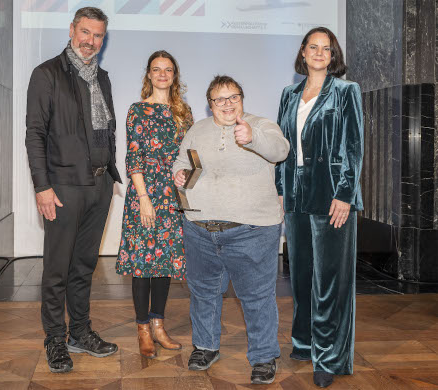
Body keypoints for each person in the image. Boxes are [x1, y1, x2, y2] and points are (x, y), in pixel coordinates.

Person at [173, 75, 289, 385]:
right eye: (219, 99)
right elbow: (181, 162)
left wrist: (252, 137)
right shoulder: (197, 130)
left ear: (241, 98)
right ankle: (206, 347)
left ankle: (264, 356)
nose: (227, 104)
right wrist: (180, 174)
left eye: (233, 97)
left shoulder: (261, 125)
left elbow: (280, 151)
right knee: (203, 293)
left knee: (257, 296)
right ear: (209, 104)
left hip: (251, 230)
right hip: (199, 228)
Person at [25, 7, 121, 373]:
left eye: (98, 36)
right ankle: (54, 338)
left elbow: (105, 129)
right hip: (63, 186)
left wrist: (110, 174)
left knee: (85, 266)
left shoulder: (103, 78)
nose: (90, 41)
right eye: (85, 32)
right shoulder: (47, 74)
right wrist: (42, 187)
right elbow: (35, 135)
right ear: (71, 30)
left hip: (100, 184)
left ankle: (80, 332)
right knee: (57, 268)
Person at [275, 27, 363, 388]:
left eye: (326, 48)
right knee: (302, 276)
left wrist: (345, 195)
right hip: (296, 198)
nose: (319, 52)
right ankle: (305, 342)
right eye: (313, 46)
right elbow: (283, 148)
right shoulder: (289, 93)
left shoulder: (346, 91)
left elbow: (354, 148)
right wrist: (280, 189)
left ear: (333, 55)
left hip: (331, 197)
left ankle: (329, 356)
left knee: (330, 280)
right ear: (303, 51)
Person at [116, 50, 193, 359]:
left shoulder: (183, 112)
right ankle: (143, 329)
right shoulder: (137, 110)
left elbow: (189, 155)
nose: (162, 74)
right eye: (156, 69)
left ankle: (159, 325)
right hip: (144, 195)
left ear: (174, 75)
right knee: (142, 264)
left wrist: (187, 176)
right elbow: (132, 158)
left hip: (172, 196)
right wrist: (145, 198)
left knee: (164, 263)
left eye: (168, 69)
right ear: (148, 75)